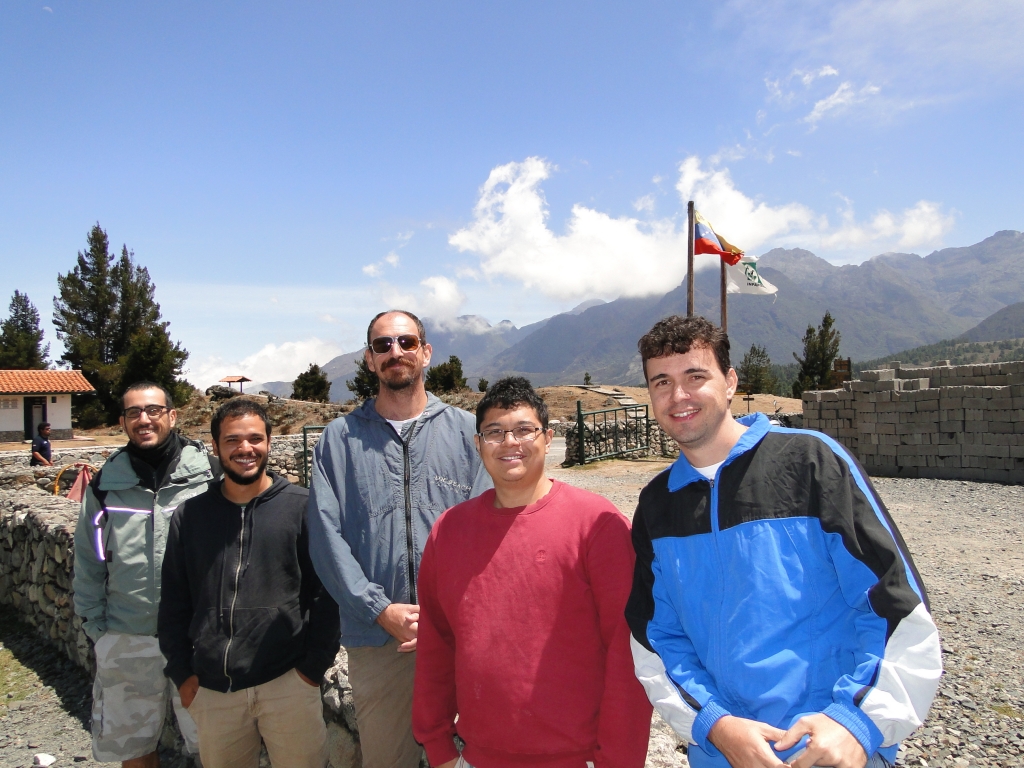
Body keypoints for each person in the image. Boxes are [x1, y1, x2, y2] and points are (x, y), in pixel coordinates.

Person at [625, 316, 942, 768]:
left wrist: (857, 722)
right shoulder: (657, 504)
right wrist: (715, 723)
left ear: (730, 381)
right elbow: (656, 637)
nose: (679, 396)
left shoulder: (811, 462)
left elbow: (896, 607)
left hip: (827, 749)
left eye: (696, 376)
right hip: (723, 754)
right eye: (662, 382)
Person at [413, 377, 653, 768]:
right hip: (476, 758)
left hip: (576, 758)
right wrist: (439, 748)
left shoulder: (598, 524)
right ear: (478, 445)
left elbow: (627, 652)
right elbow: (436, 645)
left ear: (547, 438)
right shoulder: (449, 531)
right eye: (495, 432)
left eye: (525, 429)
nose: (510, 442)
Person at [307, 309, 491, 768]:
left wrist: (446, 611)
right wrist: (379, 610)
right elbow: (325, 538)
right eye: (383, 345)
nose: (396, 352)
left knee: (479, 756)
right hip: (379, 641)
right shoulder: (338, 441)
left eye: (406, 343)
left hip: (462, 636)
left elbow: (490, 530)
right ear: (369, 360)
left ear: (425, 353)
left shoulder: (471, 433)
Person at [158, 399, 340, 768]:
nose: (245, 449)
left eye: (255, 438)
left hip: (288, 685)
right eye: (232, 440)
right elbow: (174, 601)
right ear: (215, 446)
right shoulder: (191, 517)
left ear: (269, 443)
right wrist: (183, 674)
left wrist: (310, 670)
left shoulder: (303, 508)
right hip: (214, 692)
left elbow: (326, 595)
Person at [73, 382, 216, 767]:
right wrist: (99, 632)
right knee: (134, 752)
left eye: (153, 410)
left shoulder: (209, 478)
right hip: (127, 637)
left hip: (197, 640)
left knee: (216, 750)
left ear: (172, 415)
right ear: (122, 422)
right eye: (134, 412)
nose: (144, 419)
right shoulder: (105, 486)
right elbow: (90, 560)